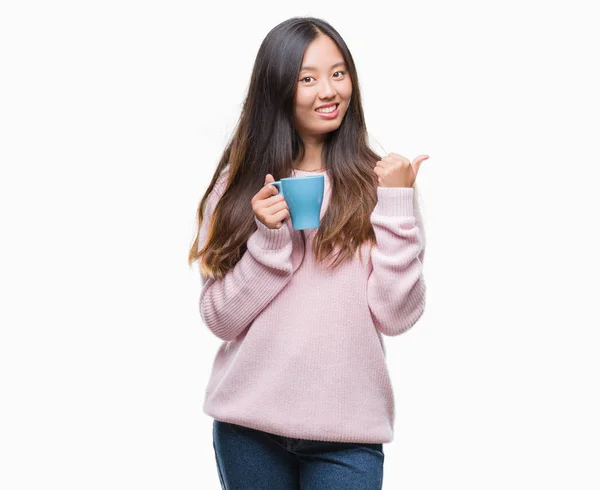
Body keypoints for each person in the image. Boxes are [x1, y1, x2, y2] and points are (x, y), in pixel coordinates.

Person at [188, 16, 428, 490]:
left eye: (339, 73)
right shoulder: (236, 189)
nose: (329, 90)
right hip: (248, 429)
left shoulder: (379, 184)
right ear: (277, 88)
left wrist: (397, 204)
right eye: (307, 77)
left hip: (349, 437)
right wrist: (268, 239)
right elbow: (219, 319)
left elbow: (396, 315)